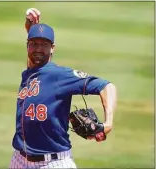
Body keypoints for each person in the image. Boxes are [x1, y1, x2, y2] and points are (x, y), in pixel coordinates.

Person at [9, 8, 117, 169]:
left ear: (52, 48)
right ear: (27, 46)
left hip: (53, 162)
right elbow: (33, 64)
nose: (38, 49)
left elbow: (107, 86)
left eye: (44, 45)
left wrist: (108, 122)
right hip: (19, 160)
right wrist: (30, 28)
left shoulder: (60, 75)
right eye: (34, 44)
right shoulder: (29, 74)